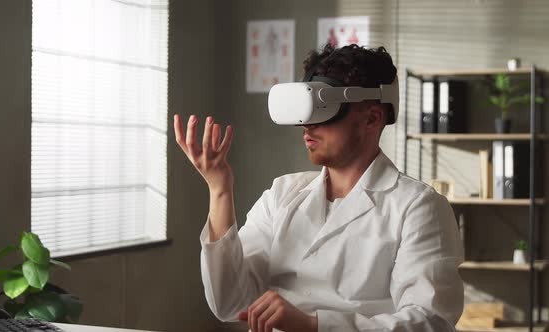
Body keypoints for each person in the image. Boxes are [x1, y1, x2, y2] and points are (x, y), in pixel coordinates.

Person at [173, 44, 464, 332]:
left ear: (372, 118)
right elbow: (230, 302)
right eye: (306, 111)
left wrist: (313, 326)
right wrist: (220, 188)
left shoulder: (418, 206)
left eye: (324, 109)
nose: (307, 126)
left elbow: (430, 321)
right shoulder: (281, 194)